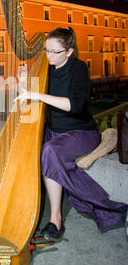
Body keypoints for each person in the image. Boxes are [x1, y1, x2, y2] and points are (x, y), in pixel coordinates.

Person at [15, 27, 127, 241]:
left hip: (81, 132)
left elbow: (75, 105)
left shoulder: (79, 69)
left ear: (69, 51)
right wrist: (22, 82)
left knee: (49, 151)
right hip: (54, 132)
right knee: (32, 150)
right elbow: (26, 98)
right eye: (46, 50)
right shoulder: (46, 68)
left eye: (53, 51)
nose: (47, 55)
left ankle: (55, 218)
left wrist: (38, 94)